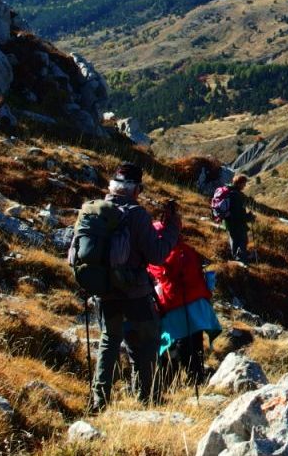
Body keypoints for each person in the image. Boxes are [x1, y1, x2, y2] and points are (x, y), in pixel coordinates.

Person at [85, 162, 180, 413]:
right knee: (146, 342)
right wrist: (172, 229)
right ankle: (146, 398)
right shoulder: (136, 214)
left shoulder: (95, 210)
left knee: (109, 341)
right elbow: (157, 255)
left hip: (104, 290)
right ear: (136, 189)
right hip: (134, 292)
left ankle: (99, 401)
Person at [147, 225, 221, 390]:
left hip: (172, 309)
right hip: (196, 306)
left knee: (174, 345)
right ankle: (197, 376)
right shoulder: (186, 250)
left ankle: (172, 381)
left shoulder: (155, 259)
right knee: (195, 341)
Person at [224, 175, 255, 263]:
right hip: (237, 225)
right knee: (241, 242)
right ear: (239, 183)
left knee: (234, 242)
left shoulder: (230, 192)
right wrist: (249, 217)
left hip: (230, 224)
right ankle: (242, 262)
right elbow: (238, 215)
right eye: (244, 184)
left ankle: (237, 260)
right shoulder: (235, 195)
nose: (244, 186)